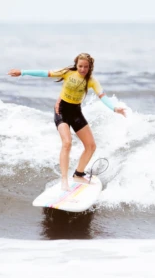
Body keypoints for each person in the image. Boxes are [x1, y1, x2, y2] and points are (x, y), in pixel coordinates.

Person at [8, 53, 126, 191]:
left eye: (86, 67)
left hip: (76, 113)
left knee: (91, 146)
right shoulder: (67, 72)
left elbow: (103, 96)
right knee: (67, 143)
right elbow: (44, 73)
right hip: (62, 111)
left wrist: (115, 108)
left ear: (90, 67)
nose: (82, 69)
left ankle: (78, 174)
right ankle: (64, 180)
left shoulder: (92, 81)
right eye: (80, 66)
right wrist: (22, 72)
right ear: (76, 64)